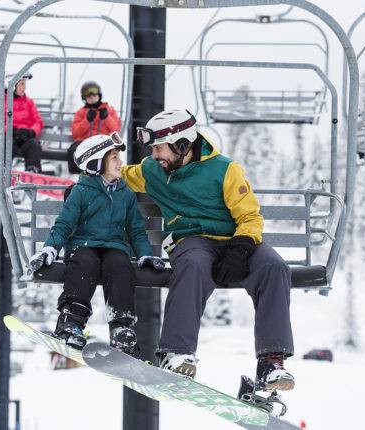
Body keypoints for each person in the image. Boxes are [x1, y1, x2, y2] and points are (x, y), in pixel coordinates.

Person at [122, 109, 295, 391]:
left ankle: (271, 363)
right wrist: (89, 175)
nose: (154, 155)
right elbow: (118, 173)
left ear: (181, 144)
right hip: (193, 241)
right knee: (192, 266)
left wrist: (240, 249)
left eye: (159, 148)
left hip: (237, 240)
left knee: (274, 267)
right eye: (152, 149)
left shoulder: (225, 170)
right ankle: (176, 353)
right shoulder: (152, 171)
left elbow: (250, 217)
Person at [28, 132, 166, 358]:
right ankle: (71, 321)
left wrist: (145, 255)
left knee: (121, 265)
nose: (120, 163)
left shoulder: (126, 195)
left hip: (114, 247)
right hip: (84, 244)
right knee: (83, 263)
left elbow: (136, 231)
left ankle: (121, 327)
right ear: (96, 162)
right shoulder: (81, 191)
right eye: (114, 158)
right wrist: (49, 248)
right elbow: (64, 224)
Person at [0, 75, 43, 172]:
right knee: (6, 144)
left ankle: (32, 170)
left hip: (25, 135)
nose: (25, 87)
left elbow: (37, 120)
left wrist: (32, 132)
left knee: (34, 145)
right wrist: (9, 130)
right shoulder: (1, 102)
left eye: (25, 84)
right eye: (22, 84)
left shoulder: (29, 102)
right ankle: (1, 168)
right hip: (9, 135)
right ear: (12, 86)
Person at [68, 81, 121, 173]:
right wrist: (87, 120)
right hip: (84, 142)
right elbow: (75, 134)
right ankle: (77, 175)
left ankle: (105, 174)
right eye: (88, 95)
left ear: (99, 94)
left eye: (94, 93)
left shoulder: (109, 110)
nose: (91, 96)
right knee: (74, 150)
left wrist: (106, 117)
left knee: (107, 153)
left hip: (103, 141)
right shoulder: (81, 112)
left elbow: (116, 130)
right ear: (84, 97)